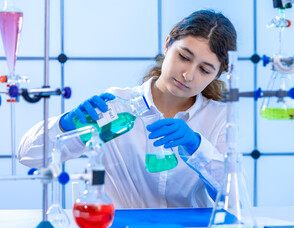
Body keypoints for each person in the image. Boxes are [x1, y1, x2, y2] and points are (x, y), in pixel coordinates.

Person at [18, 9, 237, 208]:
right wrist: (66, 125)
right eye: (183, 57)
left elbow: (235, 196)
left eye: (205, 70)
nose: (188, 75)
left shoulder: (218, 117)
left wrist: (198, 147)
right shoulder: (115, 106)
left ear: (218, 75)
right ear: (168, 44)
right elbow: (28, 156)